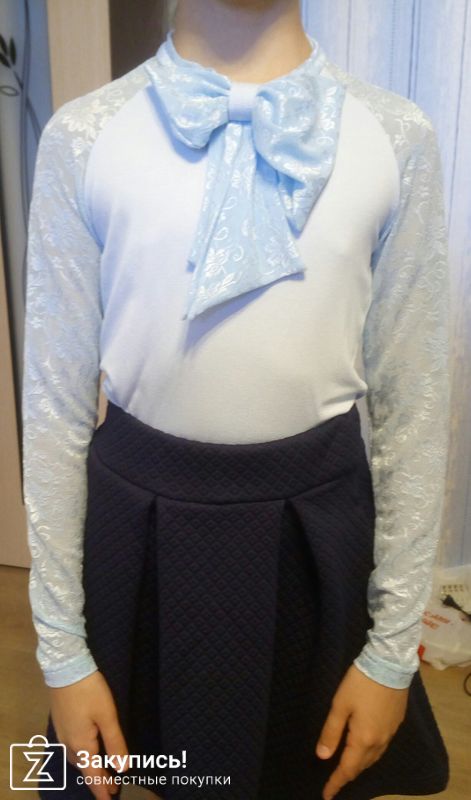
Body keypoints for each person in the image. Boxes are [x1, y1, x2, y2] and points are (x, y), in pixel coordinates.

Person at [22, 1, 451, 799]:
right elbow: (51, 409)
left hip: (316, 536)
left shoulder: (396, 137)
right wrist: (62, 651)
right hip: (136, 534)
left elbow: (413, 412)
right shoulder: (83, 137)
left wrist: (391, 651)